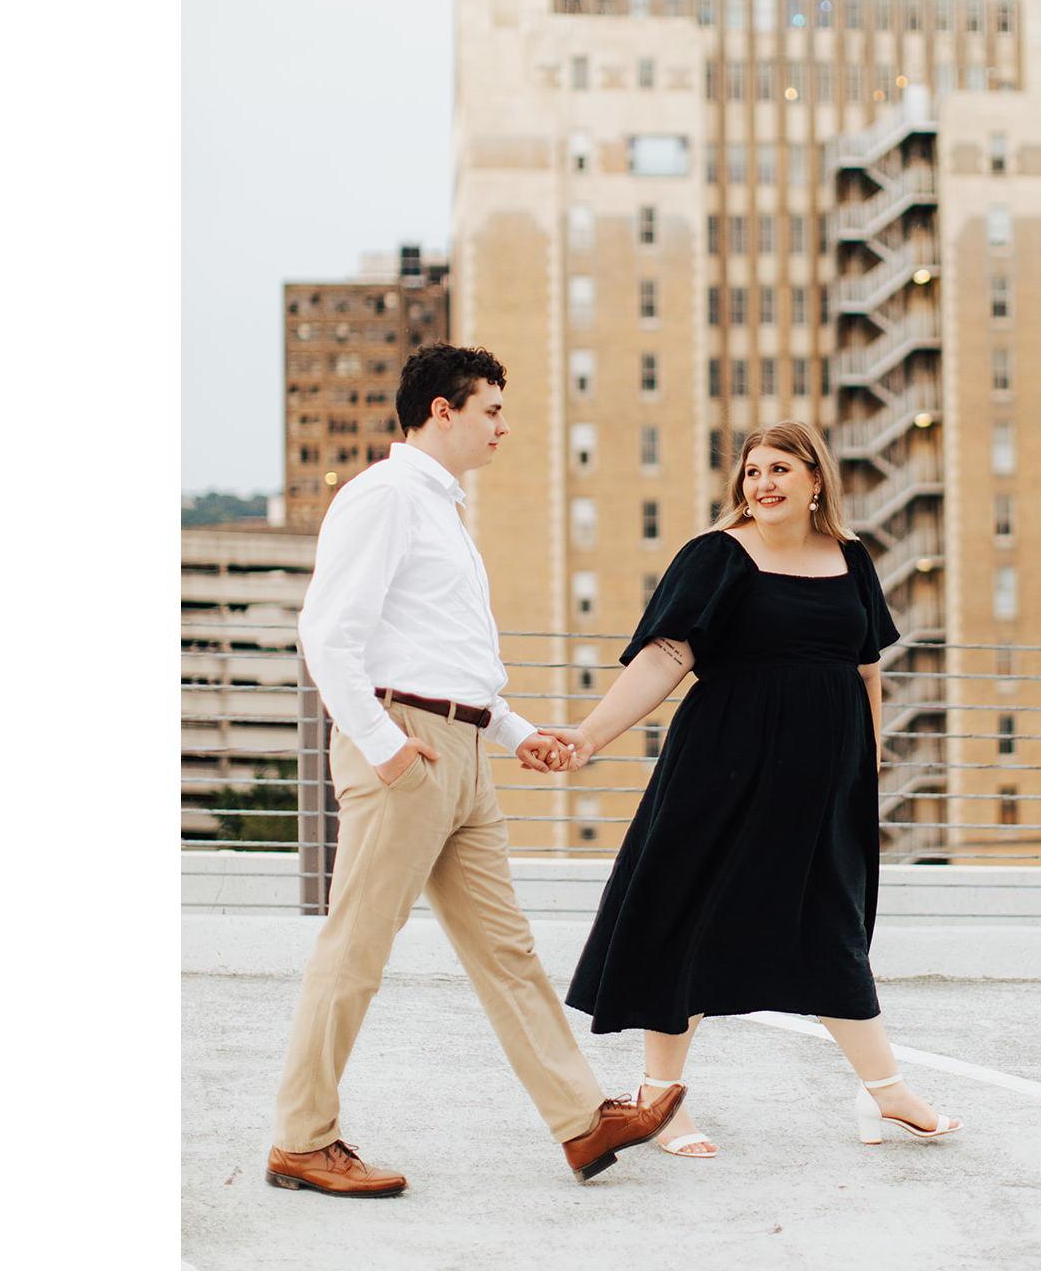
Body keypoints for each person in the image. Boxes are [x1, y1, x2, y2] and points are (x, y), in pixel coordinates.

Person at [266, 343, 682, 1196]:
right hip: (405, 747)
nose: (504, 425)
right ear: (442, 410)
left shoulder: (440, 512)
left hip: (459, 750)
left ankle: (580, 1122)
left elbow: (449, 658)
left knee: (507, 950)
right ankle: (302, 1140)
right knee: (357, 950)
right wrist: (383, 746)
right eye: (491, 408)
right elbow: (327, 633)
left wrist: (516, 731)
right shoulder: (383, 498)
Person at [543, 421, 960, 1157]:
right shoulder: (716, 556)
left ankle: (885, 1092)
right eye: (752, 471)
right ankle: (658, 1098)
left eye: (780, 469)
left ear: (815, 481)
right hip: (722, 767)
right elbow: (666, 656)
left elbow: (867, 669)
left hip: (821, 777)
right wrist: (589, 736)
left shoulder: (851, 558)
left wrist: (863, 767)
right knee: (688, 915)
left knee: (830, 923)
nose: (762, 483)